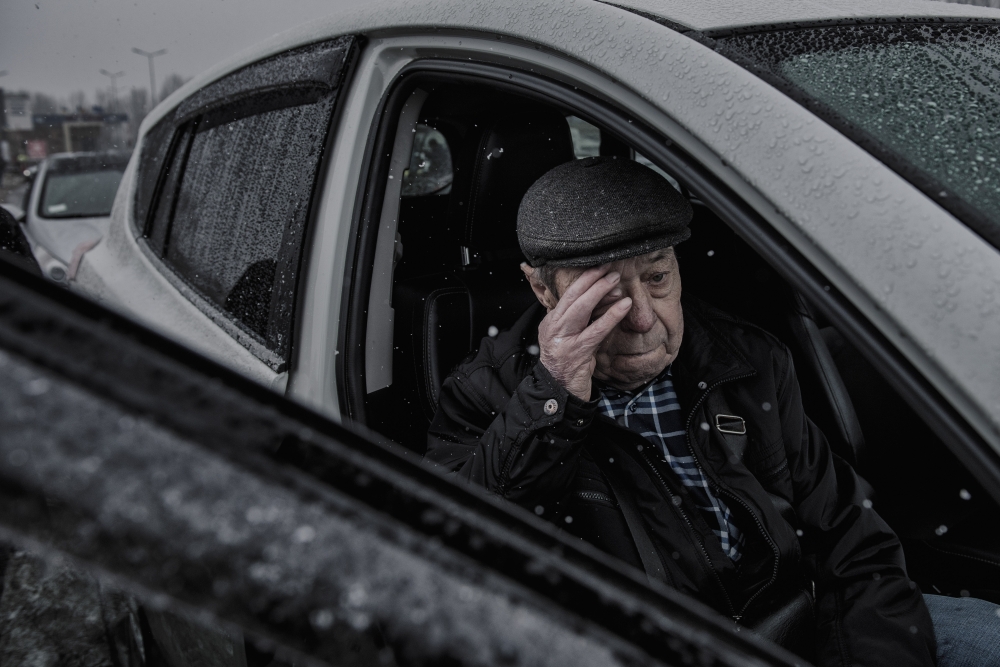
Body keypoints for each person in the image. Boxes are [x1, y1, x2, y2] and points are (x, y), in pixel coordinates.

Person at [425, 156, 1000, 666]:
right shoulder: (485, 395)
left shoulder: (745, 358)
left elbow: (852, 539)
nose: (644, 318)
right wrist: (553, 395)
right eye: (604, 296)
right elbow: (457, 561)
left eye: (657, 277)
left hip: (809, 620)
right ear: (543, 291)